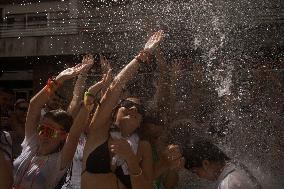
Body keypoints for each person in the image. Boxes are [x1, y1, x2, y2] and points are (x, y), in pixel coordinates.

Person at [81, 30, 164, 189]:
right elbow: (115, 87)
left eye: (139, 109)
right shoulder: (98, 132)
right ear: (113, 113)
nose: (133, 108)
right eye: (126, 105)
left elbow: (146, 187)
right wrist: (143, 54)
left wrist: (131, 159)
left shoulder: (143, 146)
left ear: (140, 122)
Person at [13, 58, 95, 189]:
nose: (43, 135)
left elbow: (73, 133)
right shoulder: (32, 143)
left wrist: (88, 95)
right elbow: (34, 105)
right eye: (41, 129)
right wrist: (60, 79)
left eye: (49, 132)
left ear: (63, 136)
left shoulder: (58, 160)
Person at [183, 138, 261, 189]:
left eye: (196, 172)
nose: (199, 176)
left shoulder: (228, 184)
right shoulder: (236, 167)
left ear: (205, 164)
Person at [141, 114, 183, 189]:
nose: (156, 142)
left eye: (157, 137)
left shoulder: (167, 152)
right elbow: (144, 181)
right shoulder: (141, 149)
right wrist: (164, 164)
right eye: (153, 137)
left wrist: (173, 168)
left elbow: (168, 186)